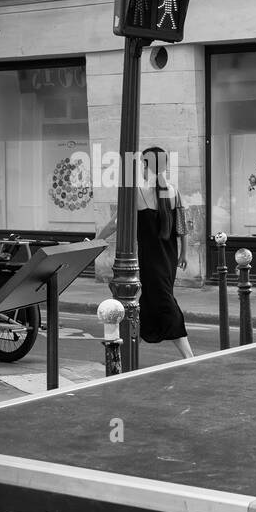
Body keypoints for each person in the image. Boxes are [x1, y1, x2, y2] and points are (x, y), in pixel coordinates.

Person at [94, 147, 193, 359]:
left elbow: (114, 225)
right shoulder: (173, 191)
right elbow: (183, 227)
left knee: (165, 303)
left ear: (146, 166)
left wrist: (96, 241)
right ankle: (126, 353)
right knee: (149, 301)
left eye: (143, 164)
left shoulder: (137, 193)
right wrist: (183, 253)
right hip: (168, 259)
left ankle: (189, 356)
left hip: (151, 261)